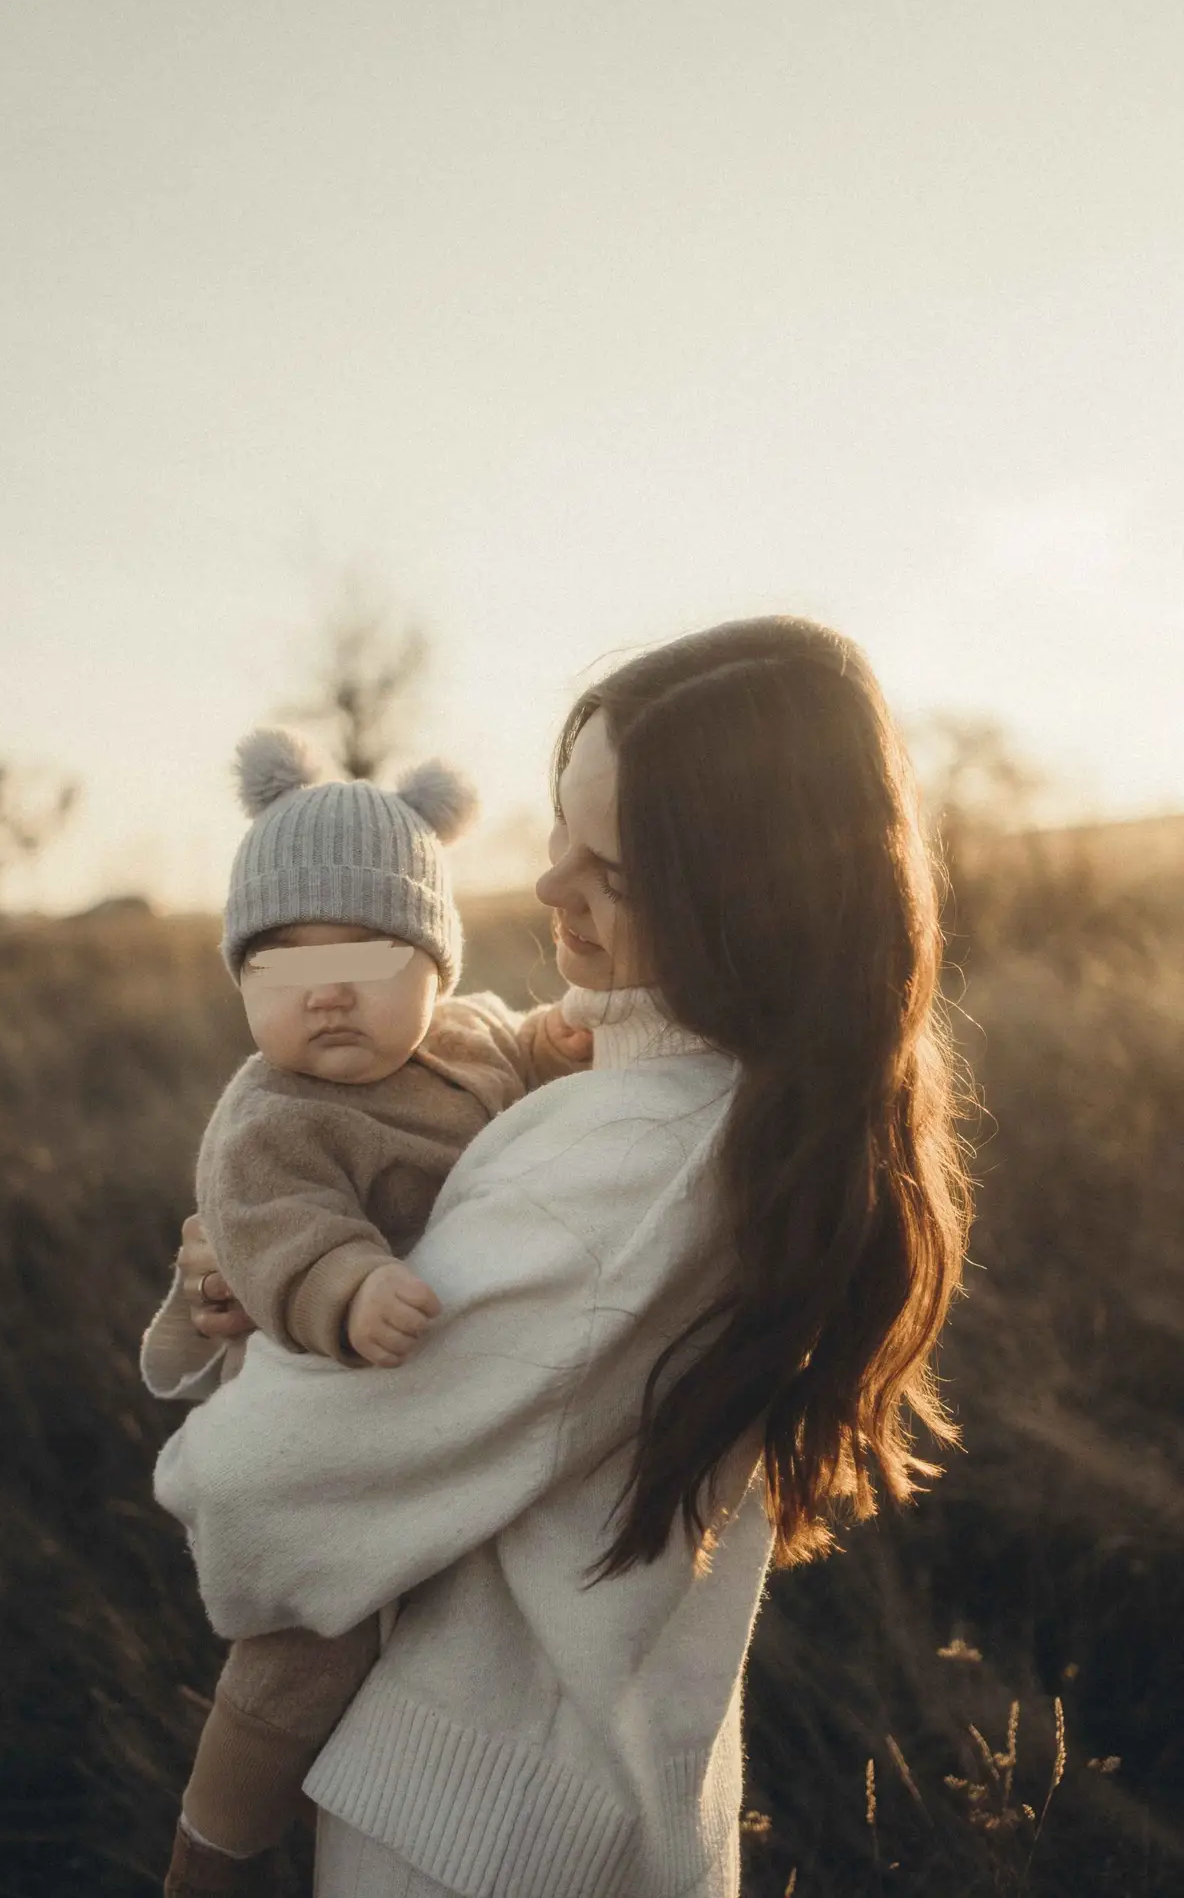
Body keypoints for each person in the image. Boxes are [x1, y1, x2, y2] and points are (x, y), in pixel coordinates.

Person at [157, 616, 975, 1898]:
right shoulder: (726, 1100)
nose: (547, 890)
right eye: (557, 831)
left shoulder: (619, 1179)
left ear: (739, 894)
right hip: (589, 1793)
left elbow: (258, 1492)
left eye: (613, 870)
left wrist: (261, 1340)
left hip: (472, 1834)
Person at [142, 727, 592, 1895]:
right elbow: (278, 1228)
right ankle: (214, 1846)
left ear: (435, 966)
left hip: (452, 1404)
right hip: (326, 1398)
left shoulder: (471, 1034)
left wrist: (561, 1041)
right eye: (280, 970)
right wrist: (347, 1286)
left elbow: (528, 1058)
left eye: (366, 958)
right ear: (241, 980)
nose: (326, 994)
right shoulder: (269, 1115)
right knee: (303, 1650)